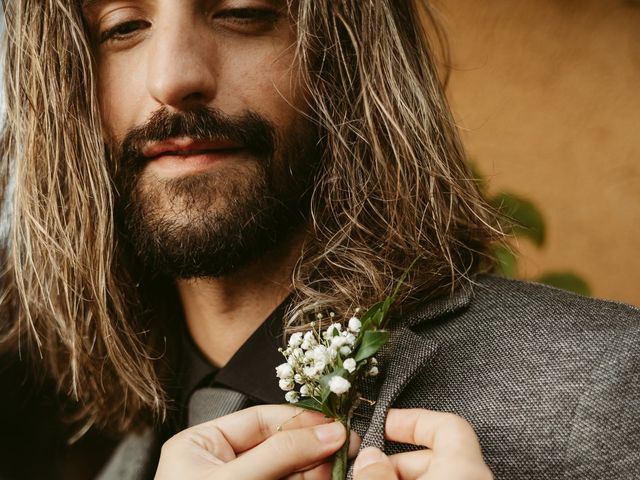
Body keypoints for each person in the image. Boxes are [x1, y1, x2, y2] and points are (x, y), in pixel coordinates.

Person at [0, 1, 637, 479]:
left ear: (349, 52)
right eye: (123, 26)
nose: (172, 78)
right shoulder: (124, 461)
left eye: (244, 11)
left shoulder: (605, 388)